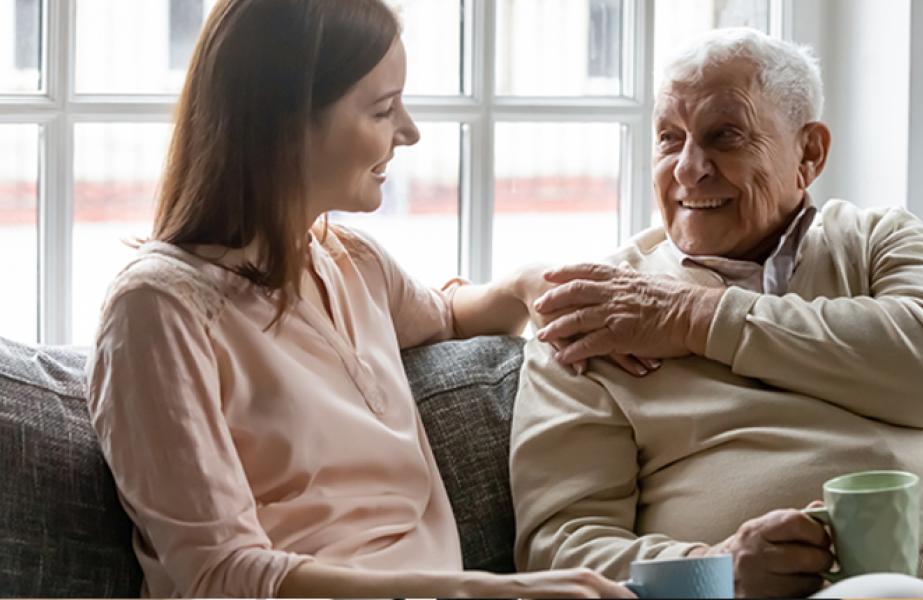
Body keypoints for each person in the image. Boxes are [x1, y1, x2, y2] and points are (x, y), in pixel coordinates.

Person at [85, 0, 635, 597]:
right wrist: (479, 590)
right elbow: (220, 574)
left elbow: (448, 315)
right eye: (382, 109)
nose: (410, 131)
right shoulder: (157, 309)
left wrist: (532, 283)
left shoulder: (354, 265)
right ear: (285, 121)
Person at [510, 27, 923, 598]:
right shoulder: (595, 313)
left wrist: (697, 319)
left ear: (810, 153)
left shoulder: (880, 239)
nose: (688, 168)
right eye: (670, 138)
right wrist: (713, 568)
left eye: (725, 136)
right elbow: (560, 548)